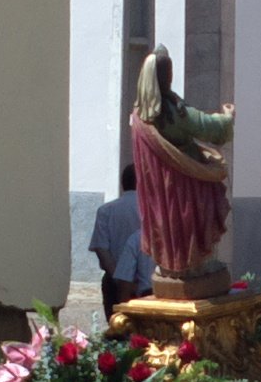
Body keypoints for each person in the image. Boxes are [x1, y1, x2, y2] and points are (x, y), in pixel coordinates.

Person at [131, 47, 236, 292]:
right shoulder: (171, 111)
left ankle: (169, 265)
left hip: (158, 185)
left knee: (166, 222)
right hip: (185, 181)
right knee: (189, 220)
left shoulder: (140, 113)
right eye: (169, 72)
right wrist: (227, 117)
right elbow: (208, 127)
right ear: (165, 76)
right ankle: (191, 267)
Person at [90, 164, 143, 318]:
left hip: (114, 282)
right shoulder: (153, 211)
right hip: (146, 282)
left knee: (116, 326)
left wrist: (119, 279)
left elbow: (101, 249)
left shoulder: (106, 210)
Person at [110, 231, 155, 305]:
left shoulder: (137, 238)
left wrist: (124, 307)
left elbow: (124, 282)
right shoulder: (137, 239)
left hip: (147, 300)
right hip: (168, 297)